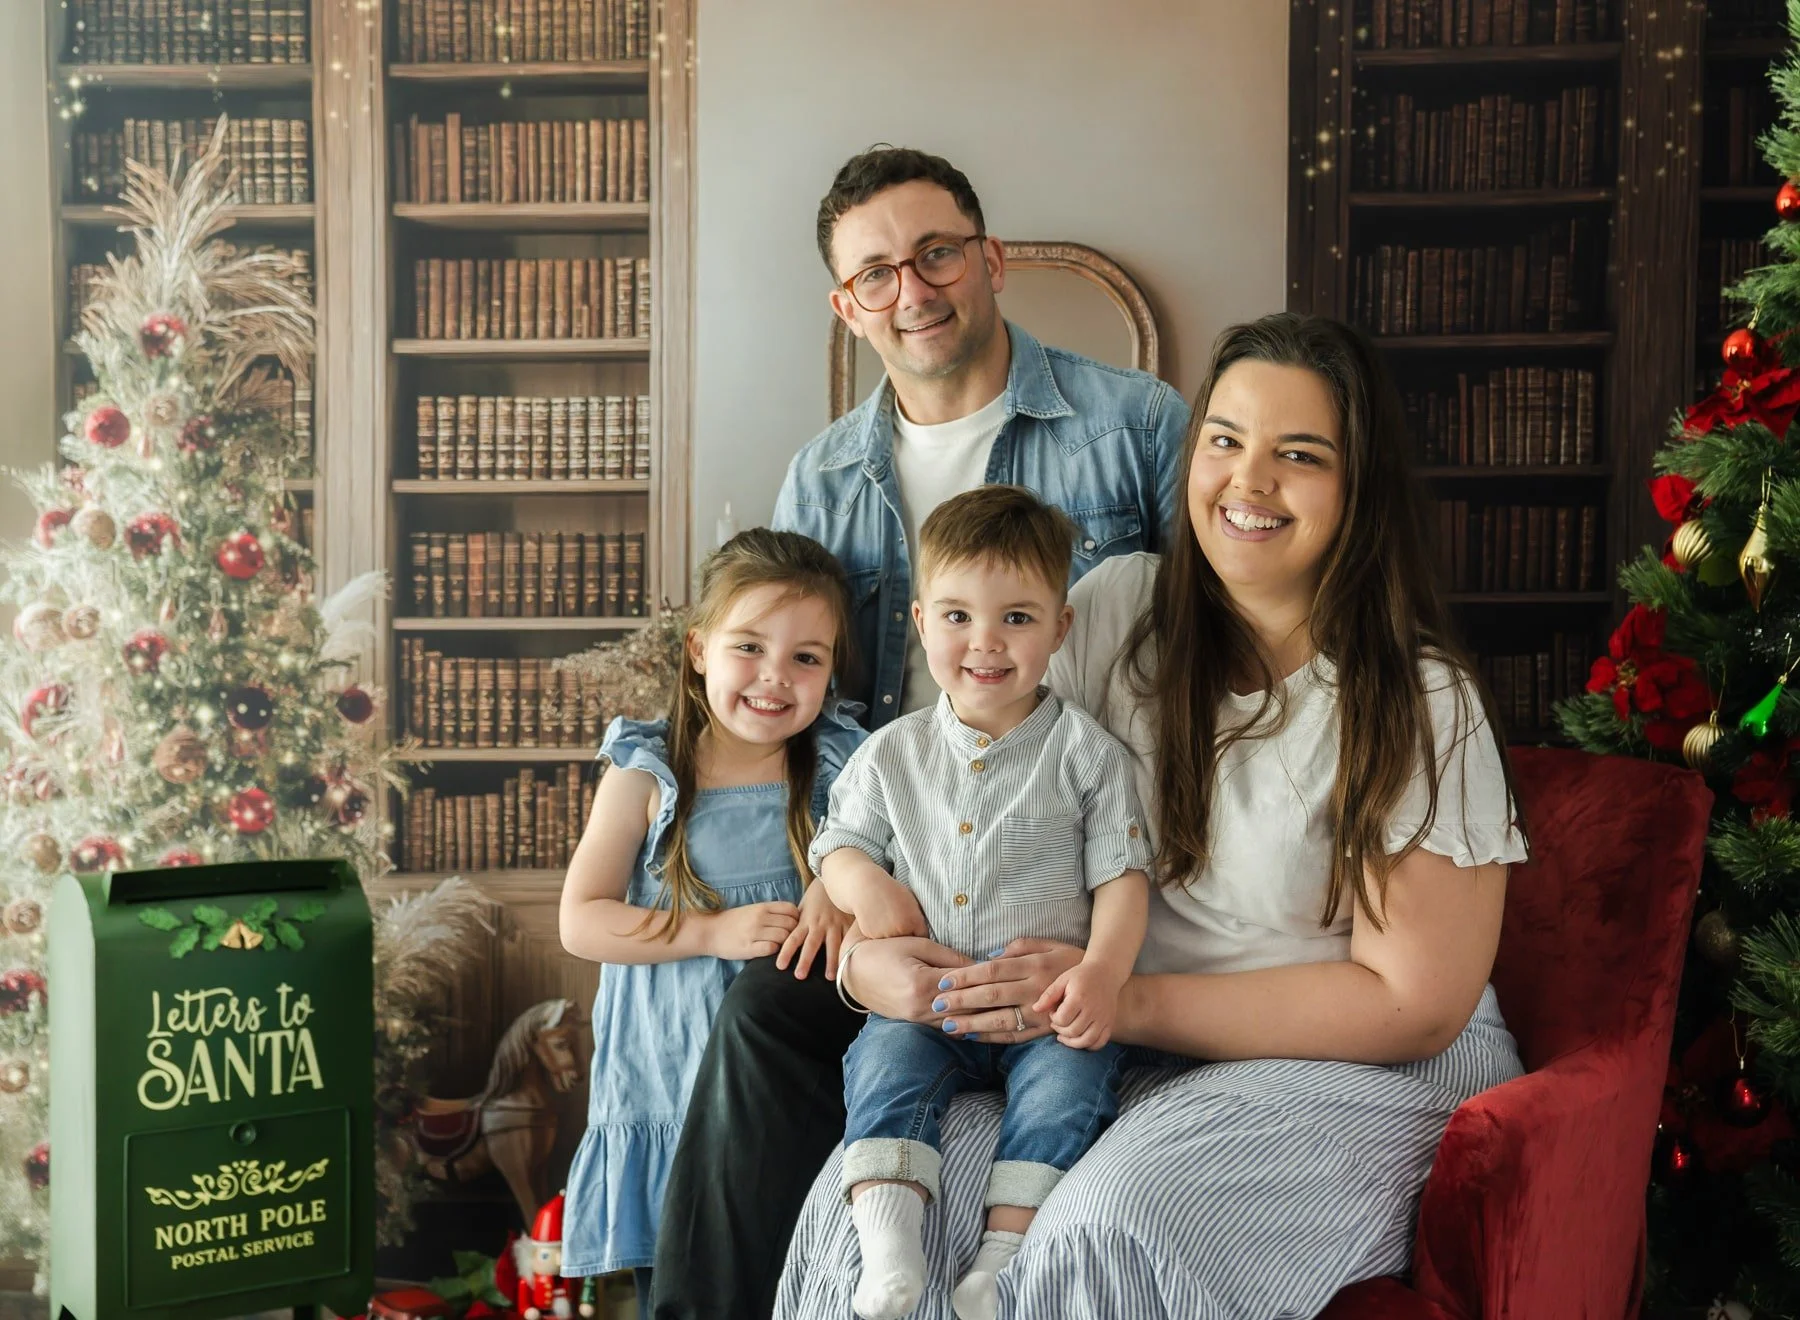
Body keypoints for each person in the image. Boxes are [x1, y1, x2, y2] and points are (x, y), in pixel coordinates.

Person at [774, 311, 1530, 1317]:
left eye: (1296, 456)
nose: (1247, 483)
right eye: (1224, 440)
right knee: (873, 1202)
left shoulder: (1421, 700)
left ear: (1359, 489)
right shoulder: (1120, 606)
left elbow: (1413, 1002)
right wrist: (875, 959)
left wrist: (1119, 1001)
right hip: (1121, 1045)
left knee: (1111, 1222)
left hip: (1362, 1065)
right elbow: (960, 799)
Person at [653, 145, 1187, 1320]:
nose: (915, 289)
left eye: (936, 253)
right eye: (878, 273)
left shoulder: (1132, 423)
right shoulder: (825, 474)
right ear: (847, 306)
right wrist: (847, 897)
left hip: (1080, 849)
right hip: (900, 857)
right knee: (757, 1016)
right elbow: (814, 711)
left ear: (988, 258)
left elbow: (1211, 650)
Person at [812, 486, 1150, 1320]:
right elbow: (836, 844)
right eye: (958, 617)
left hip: (1042, 1010)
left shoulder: (1088, 757)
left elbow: (1124, 878)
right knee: (881, 1068)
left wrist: (1103, 972)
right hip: (927, 1007)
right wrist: (868, 888)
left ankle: (1000, 1257)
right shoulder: (893, 754)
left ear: (1061, 628)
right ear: (922, 622)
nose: (985, 644)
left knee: (1070, 1089)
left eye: (1017, 619)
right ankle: (892, 1247)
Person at [556, 529, 866, 1319]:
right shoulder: (647, 772)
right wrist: (709, 934)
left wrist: (838, 889)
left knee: (793, 1280)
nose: (774, 678)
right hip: (668, 1080)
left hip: (784, 1090)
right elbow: (580, 920)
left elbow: (886, 867)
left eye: (807, 658)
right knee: (688, 1284)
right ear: (699, 650)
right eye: (750, 646)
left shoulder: (840, 766)